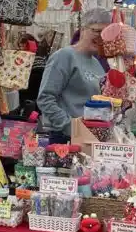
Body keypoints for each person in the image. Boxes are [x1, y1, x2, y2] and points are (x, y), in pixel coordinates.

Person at [37, 9, 111, 144]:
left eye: (105, 33)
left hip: (90, 137)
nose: (101, 37)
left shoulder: (97, 63)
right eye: (97, 31)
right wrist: (71, 127)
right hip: (65, 139)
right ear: (83, 30)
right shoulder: (64, 56)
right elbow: (45, 99)